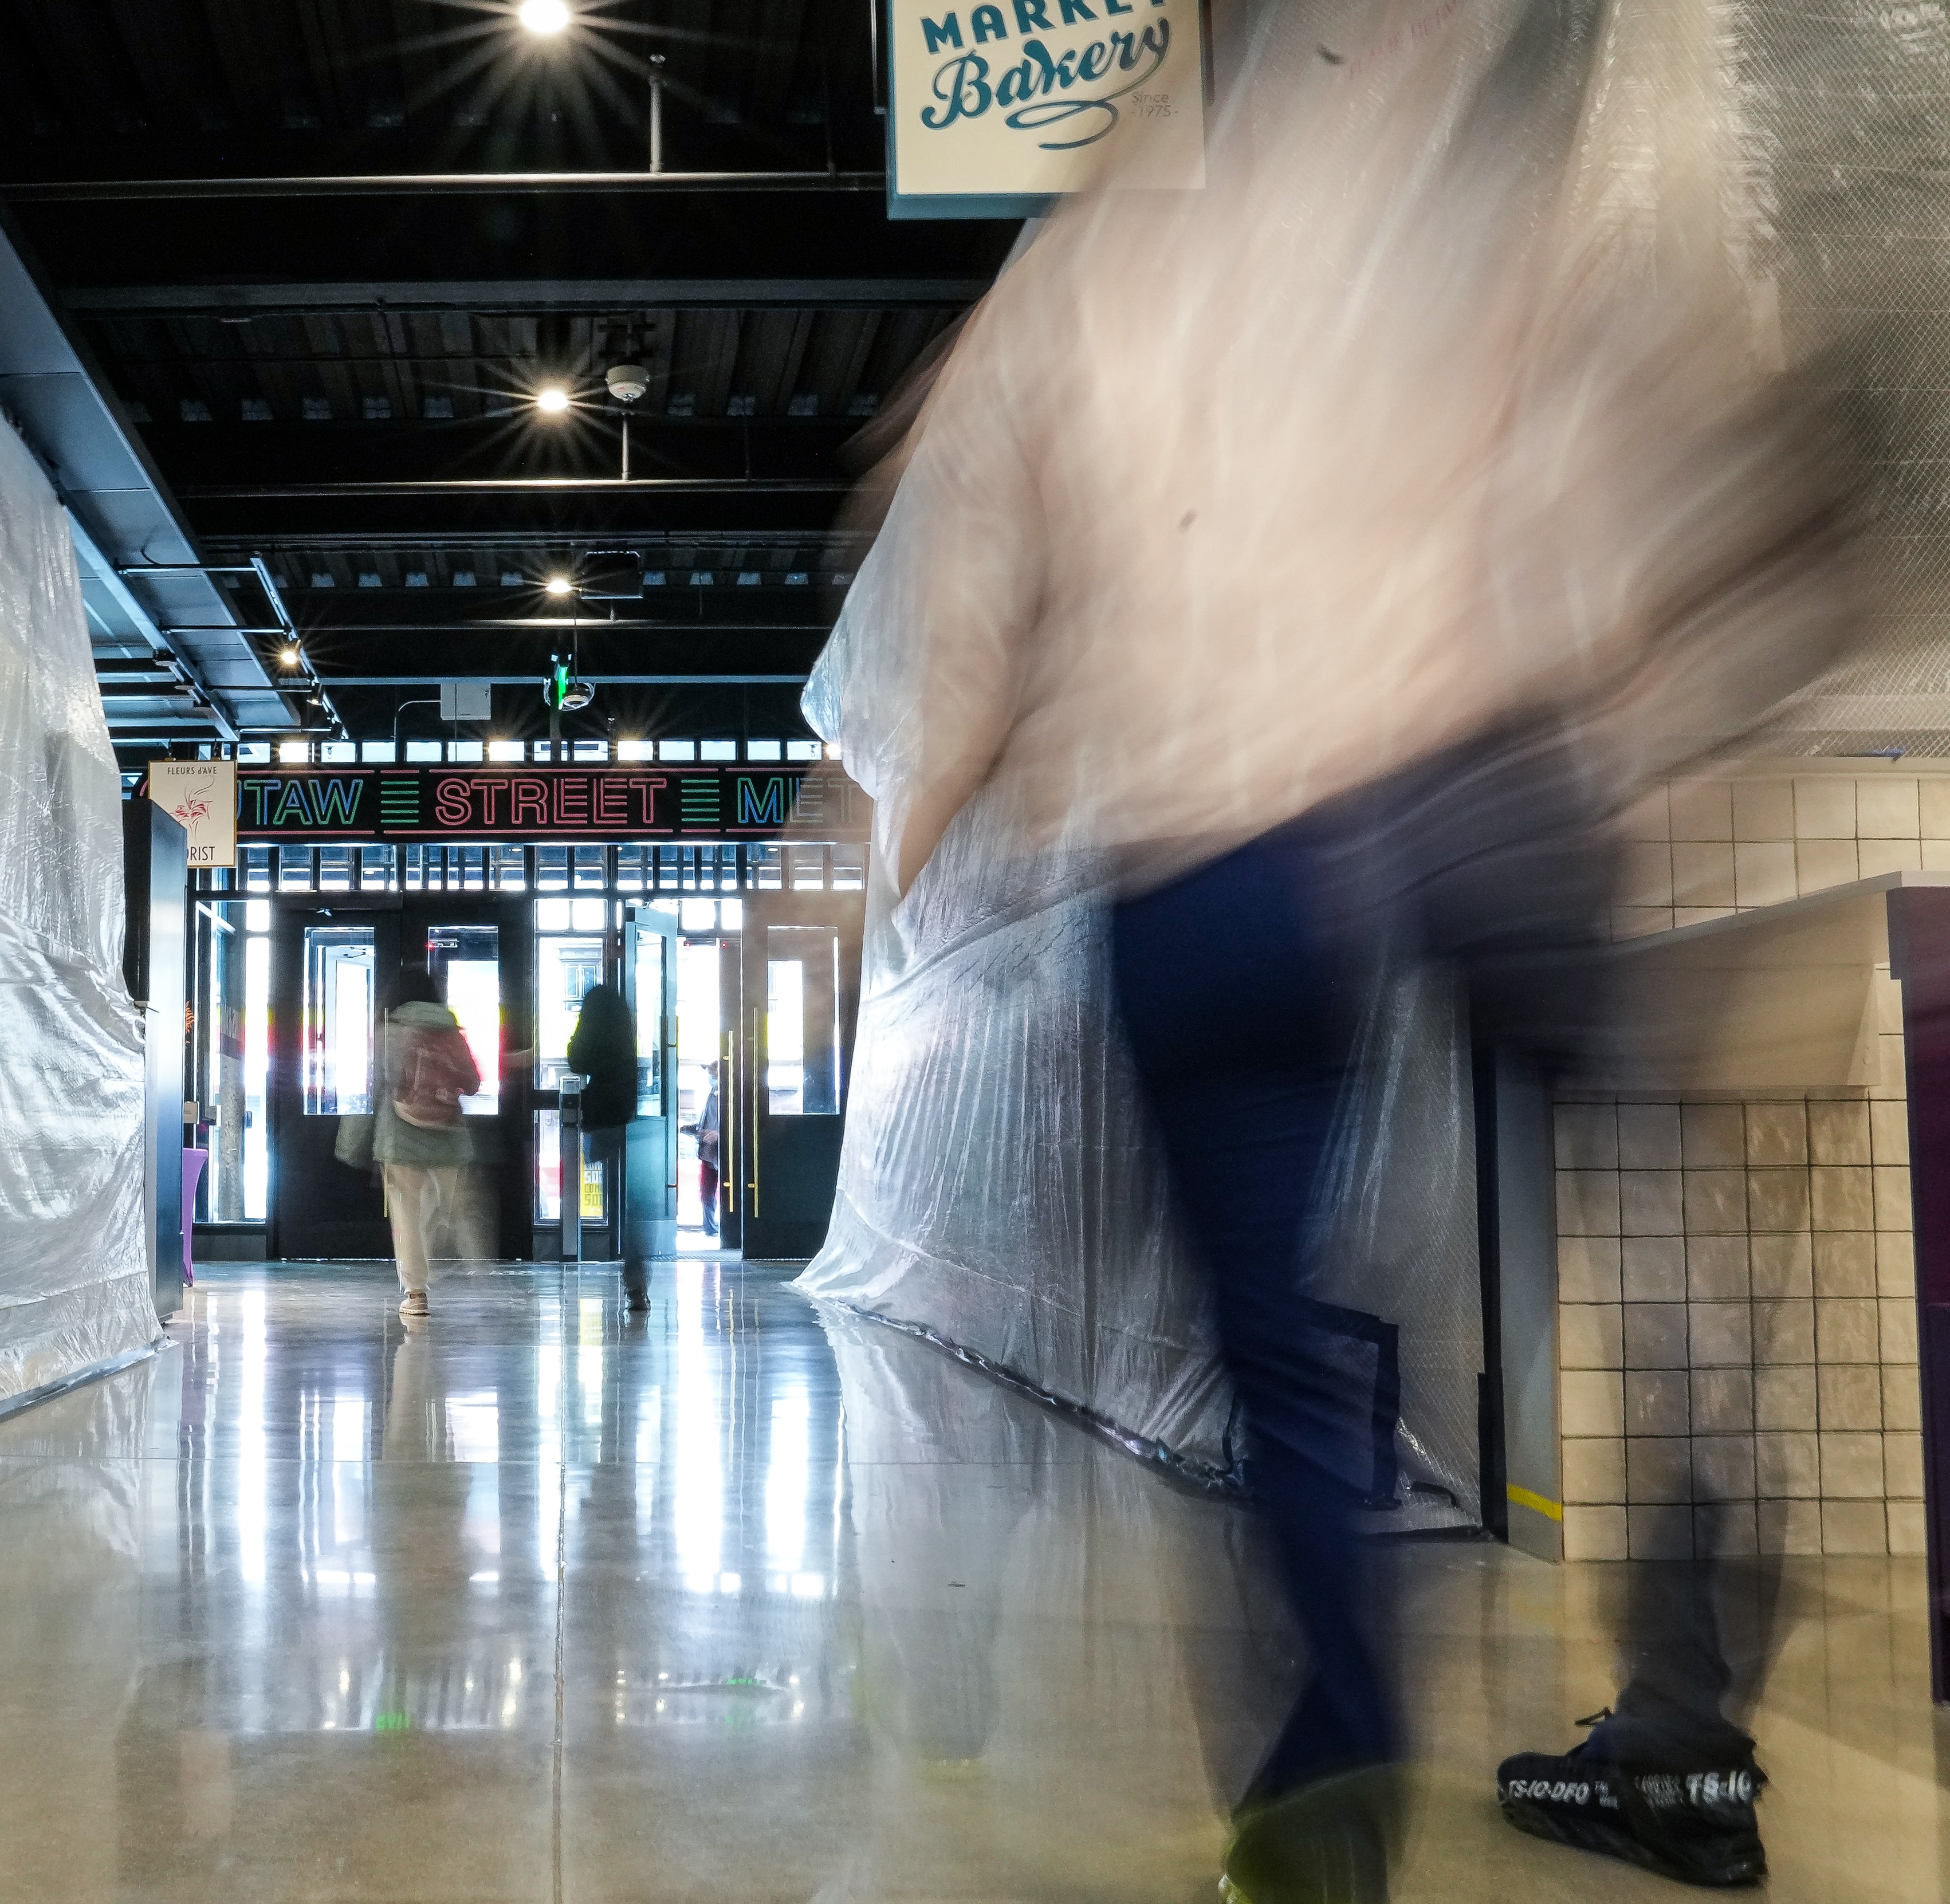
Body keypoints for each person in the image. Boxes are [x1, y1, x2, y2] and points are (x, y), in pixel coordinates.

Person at [808, 6, 1863, 1897]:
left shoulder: (1071, 271)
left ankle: (1336, 1765)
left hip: (1211, 848)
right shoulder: (1467, 190)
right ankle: (1684, 1717)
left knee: (1282, 1343)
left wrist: (895, 859)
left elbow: (948, 607)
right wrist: (1656, 712)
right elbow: (1660, 454)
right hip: (1480, 781)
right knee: (1656, 1228)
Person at [356, 967, 481, 1319]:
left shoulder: (389, 1032)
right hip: (450, 1138)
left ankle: (417, 1295)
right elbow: (473, 1083)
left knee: (406, 1217)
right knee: (439, 1212)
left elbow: (377, 1086)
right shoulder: (450, 1030)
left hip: (399, 1139)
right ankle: (451, 1262)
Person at [563, 979, 644, 1307]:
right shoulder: (626, 1029)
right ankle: (635, 1277)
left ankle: (627, 1267)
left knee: (613, 1194)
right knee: (629, 1202)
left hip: (603, 1119)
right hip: (629, 1116)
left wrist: (578, 1029)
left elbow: (577, 1059)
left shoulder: (593, 1029)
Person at [694, 1061, 724, 1238]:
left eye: (712, 1072)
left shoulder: (727, 1095)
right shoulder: (712, 1094)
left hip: (722, 1152)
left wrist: (719, 1134)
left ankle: (726, 1228)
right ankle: (710, 1227)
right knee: (706, 1191)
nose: (710, 1076)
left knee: (724, 1190)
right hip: (707, 1152)